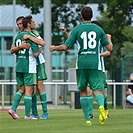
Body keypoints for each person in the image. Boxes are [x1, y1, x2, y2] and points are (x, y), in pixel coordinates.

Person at [49, 6, 113, 126]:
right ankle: (101, 107)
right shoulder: (98, 30)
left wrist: (55, 48)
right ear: (92, 16)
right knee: (98, 90)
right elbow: (109, 48)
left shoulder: (77, 29)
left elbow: (65, 47)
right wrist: (108, 39)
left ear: (81, 16)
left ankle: (88, 119)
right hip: (95, 64)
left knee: (83, 91)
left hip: (82, 64)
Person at [60, 20, 110, 119]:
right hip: (95, 67)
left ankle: (105, 110)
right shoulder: (93, 36)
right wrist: (65, 33)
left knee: (101, 91)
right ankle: (91, 113)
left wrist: (100, 54)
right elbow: (72, 39)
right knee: (90, 90)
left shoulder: (100, 38)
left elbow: (108, 51)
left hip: (99, 67)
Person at [10, 17, 40, 120]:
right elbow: (36, 53)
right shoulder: (30, 36)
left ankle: (13, 109)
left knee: (23, 89)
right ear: (28, 24)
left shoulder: (18, 36)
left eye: (20, 24)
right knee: (29, 90)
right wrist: (40, 49)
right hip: (28, 66)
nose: (19, 26)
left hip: (19, 66)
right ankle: (28, 115)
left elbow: (12, 50)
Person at [23, 15, 48, 119]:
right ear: (29, 24)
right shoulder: (23, 34)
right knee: (31, 88)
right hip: (30, 64)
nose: (35, 24)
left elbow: (42, 43)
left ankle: (45, 112)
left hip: (39, 63)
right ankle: (34, 113)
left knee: (39, 86)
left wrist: (30, 38)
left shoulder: (34, 33)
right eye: (33, 22)